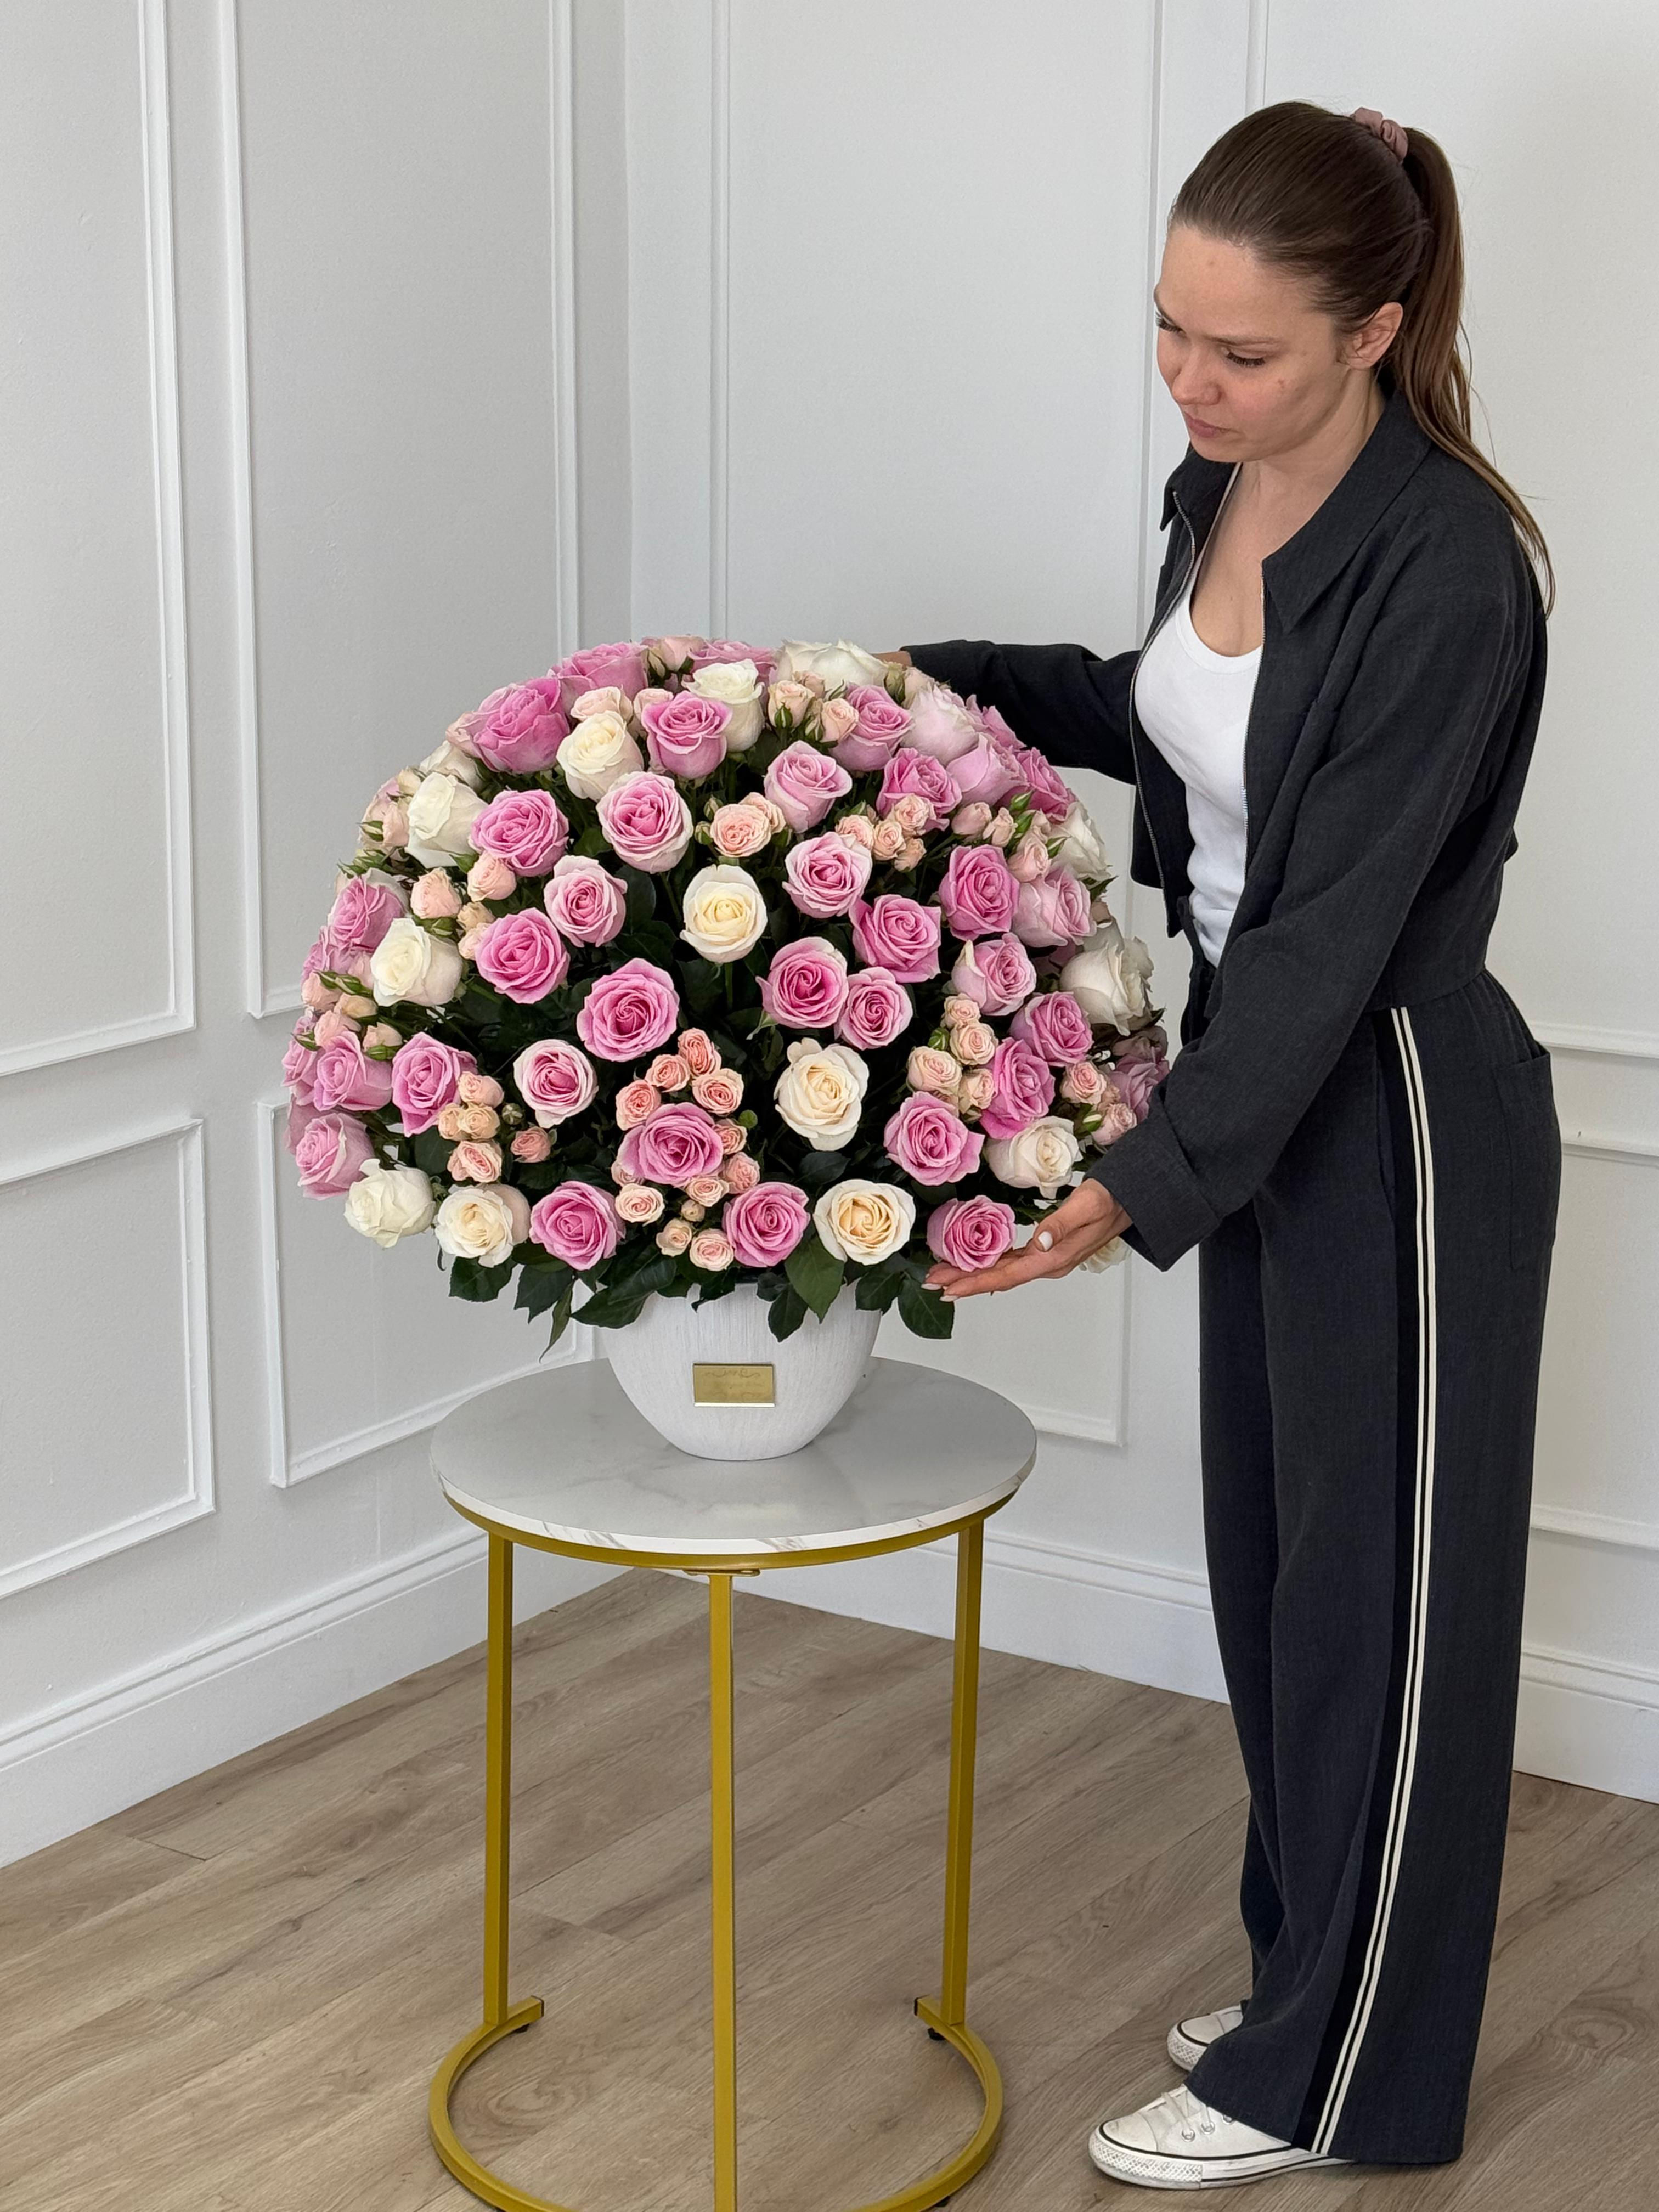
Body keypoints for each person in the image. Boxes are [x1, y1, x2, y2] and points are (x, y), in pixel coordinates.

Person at [884, 100, 1561, 2188]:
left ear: (1376, 326)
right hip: (1264, 1094)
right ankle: (1310, 1976)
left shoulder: (1446, 564)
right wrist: (931, 685)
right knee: (1279, 1586)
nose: (1192, 379)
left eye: (1242, 350)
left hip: (1397, 1119)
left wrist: (1133, 1186)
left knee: (1387, 1611)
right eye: (1169, 331)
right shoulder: (1227, 487)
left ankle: (1340, 2078)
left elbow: (1339, 921)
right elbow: (1177, 718)